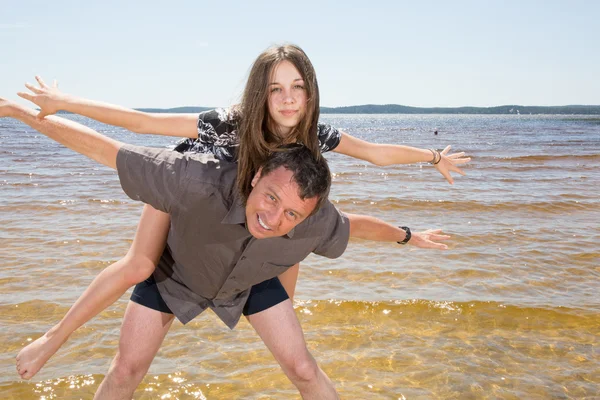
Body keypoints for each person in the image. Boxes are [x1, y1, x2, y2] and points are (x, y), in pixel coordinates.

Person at [12, 44, 469, 380]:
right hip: (188, 191)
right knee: (141, 264)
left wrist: (432, 158)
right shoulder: (231, 120)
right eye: (276, 89)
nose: (288, 100)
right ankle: (54, 338)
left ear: (310, 92)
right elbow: (143, 123)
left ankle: (277, 319)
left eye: (297, 88)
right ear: (261, 94)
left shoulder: (317, 134)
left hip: (256, 211)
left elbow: (376, 153)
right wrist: (63, 104)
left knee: (293, 248)